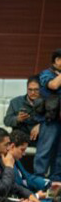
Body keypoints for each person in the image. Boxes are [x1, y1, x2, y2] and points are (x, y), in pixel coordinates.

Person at [34, 49, 61, 178]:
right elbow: (53, 85)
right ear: (57, 60)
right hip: (51, 119)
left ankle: (56, 180)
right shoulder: (46, 73)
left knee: (60, 153)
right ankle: (39, 179)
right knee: (45, 150)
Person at [4, 76, 44, 149]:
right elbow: (7, 121)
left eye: (36, 90)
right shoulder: (15, 102)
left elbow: (55, 120)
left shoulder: (48, 102)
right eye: (30, 89)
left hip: (41, 140)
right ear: (26, 88)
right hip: (20, 140)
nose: (33, 92)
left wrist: (41, 125)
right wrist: (17, 119)